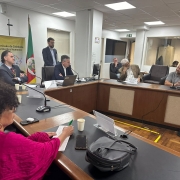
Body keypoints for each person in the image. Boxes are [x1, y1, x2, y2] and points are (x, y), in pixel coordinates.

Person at [0, 81, 74, 180]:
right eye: (11, 109)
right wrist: (65, 133)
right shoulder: (9, 139)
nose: (14, 111)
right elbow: (45, 151)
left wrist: (35, 137)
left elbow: (16, 148)